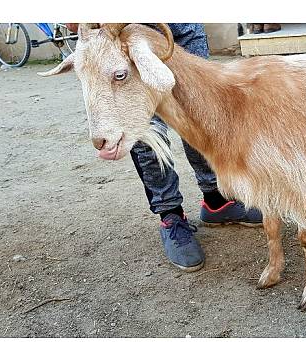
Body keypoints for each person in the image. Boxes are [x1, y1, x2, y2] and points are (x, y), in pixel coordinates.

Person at [67, 23, 262, 272]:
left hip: (180, 22)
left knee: (201, 111)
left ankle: (217, 201)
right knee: (144, 127)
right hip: (119, 30)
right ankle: (170, 214)